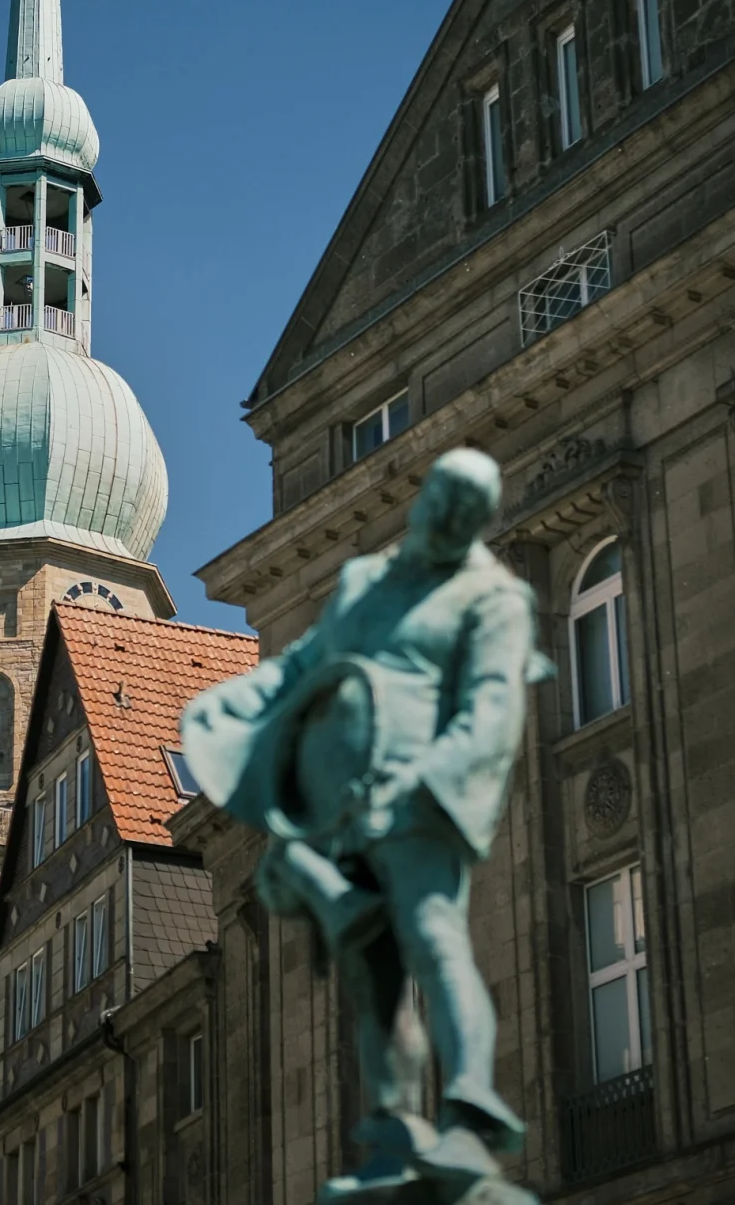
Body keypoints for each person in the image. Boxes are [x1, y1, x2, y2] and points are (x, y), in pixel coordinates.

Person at [182, 448, 551, 1201]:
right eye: (441, 503)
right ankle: (394, 1124)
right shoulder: (364, 581)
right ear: (425, 502)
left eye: (465, 516)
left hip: (419, 804)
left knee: (432, 934)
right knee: (374, 976)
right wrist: (229, 717)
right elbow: (303, 666)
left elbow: (490, 709)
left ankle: (470, 1103)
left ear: (476, 523)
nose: (447, 523)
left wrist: (425, 782)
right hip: (338, 812)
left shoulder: (491, 601)